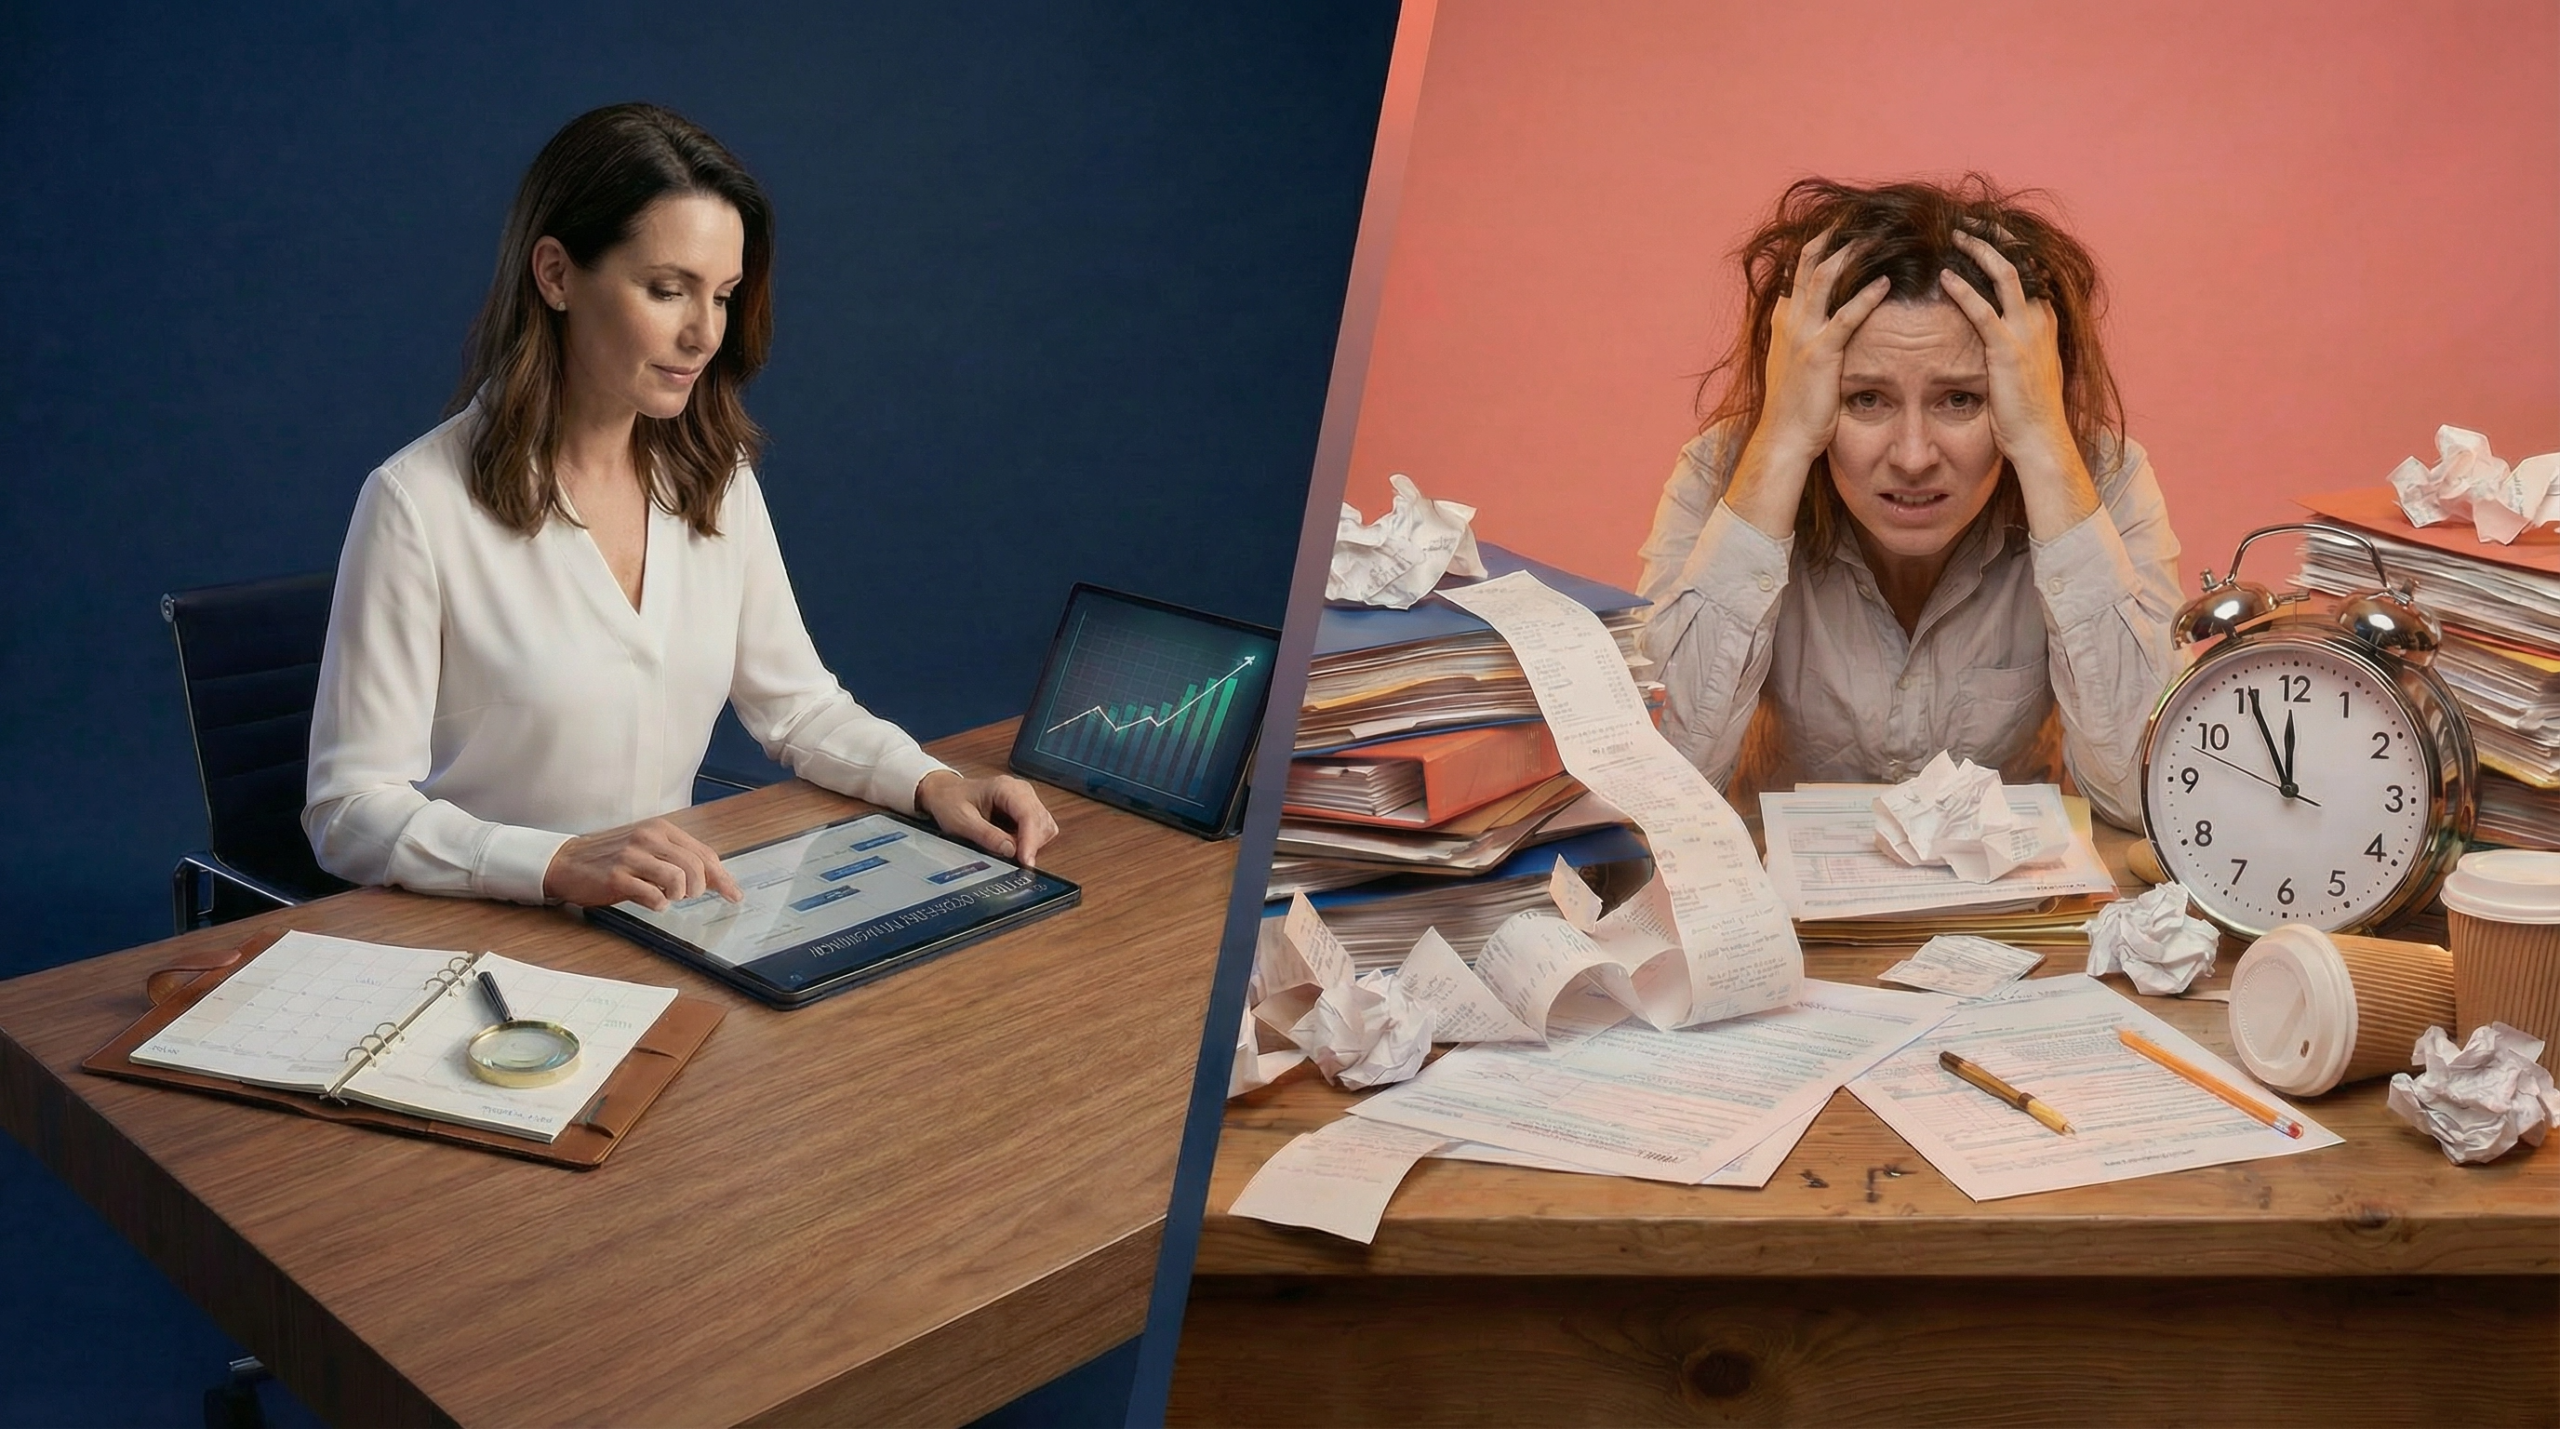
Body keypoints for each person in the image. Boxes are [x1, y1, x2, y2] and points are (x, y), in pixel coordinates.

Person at [305, 103, 1056, 911]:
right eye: (668, 290)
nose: (705, 334)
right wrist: (557, 863)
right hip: (492, 933)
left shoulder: (715, 475)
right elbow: (347, 811)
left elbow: (797, 706)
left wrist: (932, 781)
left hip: (670, 917)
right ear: (555, 274)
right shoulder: (417, 503)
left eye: (724, 295)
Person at [1635, 176, 2179, 830]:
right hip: (1790, 920)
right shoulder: (1721, 474)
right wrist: (1780, 443)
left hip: (2009, 917)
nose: (1915, 455)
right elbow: (1656, 785)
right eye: (1865, 398)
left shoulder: (2100, 477)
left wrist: (2040, 441)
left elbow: (2144, 794)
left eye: (1961, 399)